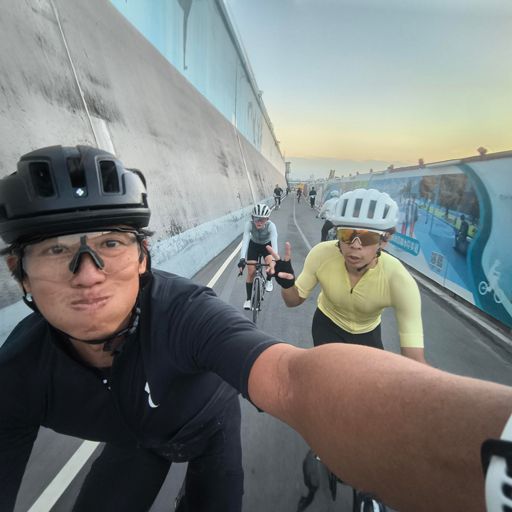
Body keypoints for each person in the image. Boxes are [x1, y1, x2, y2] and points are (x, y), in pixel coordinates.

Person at [1, 146, 512, 512]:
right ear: (18, 271)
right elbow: (288, 289)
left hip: (210, 432)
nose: (87, 273)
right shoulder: (16, 374)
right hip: (136, 444)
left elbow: (292, 379)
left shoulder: (186, 315)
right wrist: (277, 275)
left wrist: (496, 451)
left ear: (142, 257)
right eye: (56, 250)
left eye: (110, 244)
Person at [238, 203, 277, 310]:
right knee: (251, 272)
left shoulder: (271, 226)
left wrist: (274, 260)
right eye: (256, 219)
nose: (259, 222)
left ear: (267, 219)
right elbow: (245, 241)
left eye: (262, 219)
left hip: (267, 246)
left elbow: (274, 244)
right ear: (252, 218)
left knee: (270, 265)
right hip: (254, 246)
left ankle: (269, 280)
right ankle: (248, 300)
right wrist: (242, 259)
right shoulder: (249, 225)